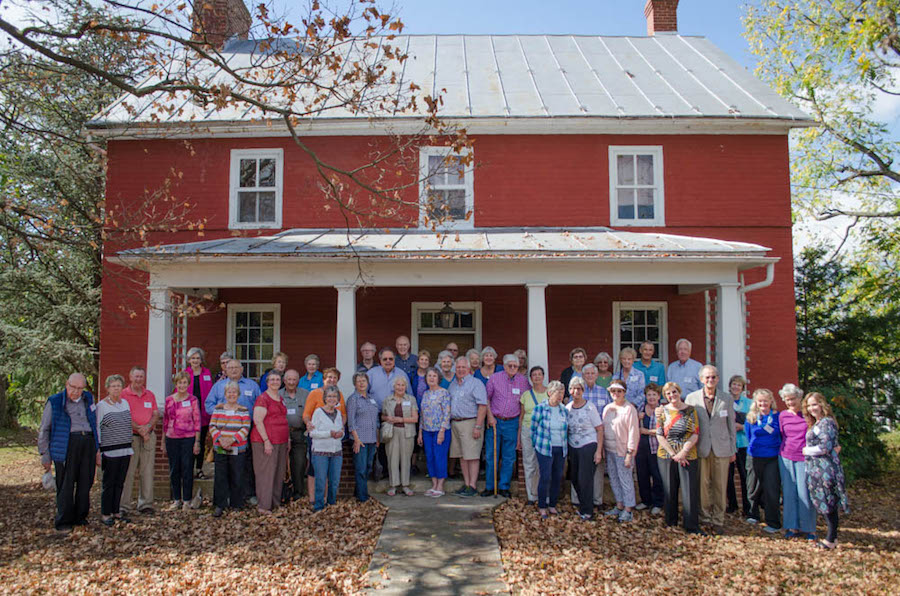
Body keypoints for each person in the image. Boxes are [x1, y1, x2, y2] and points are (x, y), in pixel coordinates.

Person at [37, 373, 100, 533]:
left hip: (87, 443)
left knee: (85, 483)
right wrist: (45, 453)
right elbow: (45, 428)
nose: (76, 391)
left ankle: (80, 517)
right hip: (66, 444)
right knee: (65, 484)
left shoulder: (88, 399)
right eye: (73, 387)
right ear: (67, 384)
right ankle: (64, 520)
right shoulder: (55, 401)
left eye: (80, 388)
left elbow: (95, 424)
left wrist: (98, 448)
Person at [684, 364, 735, 534]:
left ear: (718, 379)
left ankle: (718, 519)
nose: (710, 380)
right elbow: (688, 425)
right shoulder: (691, 398)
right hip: (701, 448)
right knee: (703, 485)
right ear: (701, 379)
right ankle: (704, 517)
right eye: (707, 377)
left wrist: (732, 449)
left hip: (722, 448)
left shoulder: (726, 399)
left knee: (720, 485)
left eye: (713, 377)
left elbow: (731, 426)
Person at [205, 358, 260, 504]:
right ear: (225, 370)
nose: (234, 370)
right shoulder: (218, 386)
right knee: (222, 468)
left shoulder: (252, 385)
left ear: (242, 369)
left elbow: (259, 404)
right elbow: (208, 404)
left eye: (237, 367)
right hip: (221, 436)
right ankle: (224, 498)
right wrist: (220, 412)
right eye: (231, 368)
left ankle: (246, 495)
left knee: (244, 465)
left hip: (244, 432)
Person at [802, 392, 850, 550]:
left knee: (828, 501)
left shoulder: (827, 423)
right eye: (809, 405)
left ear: (822, 404)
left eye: (814, 404)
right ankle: (832, 538)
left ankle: (831, 539)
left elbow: (825, 447)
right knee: (824, 502)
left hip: (825, 469)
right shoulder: (817, 423)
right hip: (816, 469)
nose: (811, 408)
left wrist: (806, 451)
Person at [656, 382, 703, 534]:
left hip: (688, 455)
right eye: (668, 394)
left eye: (674, 392)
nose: (672, 396)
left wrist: (683, 452)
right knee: (670, 489)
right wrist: (673, 454)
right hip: (666, 455)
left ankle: (691, 525)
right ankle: (671, 522)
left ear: (679, 392)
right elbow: (659, 435)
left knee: (689, 491)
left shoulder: (690, 410)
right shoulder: (662, 411)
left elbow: (695, 433)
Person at [484, 354, 528, 498]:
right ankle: (490, 486)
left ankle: (504, 487)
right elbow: (487, 399)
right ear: (504, 366)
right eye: (510, 365)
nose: (513, 368)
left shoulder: (523, 381)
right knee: (492, 455)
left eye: (515, 366)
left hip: (512, 422)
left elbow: (524, 403)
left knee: (509, 457)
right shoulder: (494, 378)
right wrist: (490, 416)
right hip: (495, 421)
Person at [778, 383, 817, 540]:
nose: (790, 402)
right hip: (786, 457)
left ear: (800, 397)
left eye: (792, 399)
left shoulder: (808, 415)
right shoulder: (782, 416)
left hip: (805, 458)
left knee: (805, 493)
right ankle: (791, 527)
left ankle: (809, 528)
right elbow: (782, 435)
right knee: (789, 493)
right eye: (786, 400)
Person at [302, 368, 346, 502]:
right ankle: (313, 498)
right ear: (324, 379)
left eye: (334, 378)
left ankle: (327, 498)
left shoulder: (339, 394)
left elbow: (343, 414)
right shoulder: (314, 394)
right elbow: (306, 414)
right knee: (315, 470)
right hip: (318, 438)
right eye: (329, 378)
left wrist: (341, 429)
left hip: (334, 441)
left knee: (330, 473)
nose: (332, 380)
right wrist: (309, 424)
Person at [209, 381, 251, 516]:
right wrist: (221, 439)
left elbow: (246, 427)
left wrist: (232, 440)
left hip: (238, 448)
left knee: (237, 475)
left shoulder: (243, 410)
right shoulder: (218, 408)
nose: (231, 394)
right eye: (229, 392)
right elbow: (212, 426)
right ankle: (220, 504)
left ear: (238, 394)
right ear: (225, 394)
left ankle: (236, 504)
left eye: (234, 392)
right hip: (220, 448)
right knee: (221, 476)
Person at [250, 370, 289, 514]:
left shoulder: (280, 398)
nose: (275, 382)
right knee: (265, 473)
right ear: (267, 382)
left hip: (281, 441)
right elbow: (258, 420)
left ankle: (275, 503)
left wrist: (288, 439)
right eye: (272, 380)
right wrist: (266, 441)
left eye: (277, 379)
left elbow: (283, 419)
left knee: (278, 473)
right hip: (265, 441)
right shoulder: (263, 399)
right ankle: (264, 506)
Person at [121, 366, 159, 514]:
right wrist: (139, 429)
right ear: (130, 377)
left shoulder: (149, 394)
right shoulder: (124, 394)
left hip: (148, 437)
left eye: (141, 377)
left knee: (147, 470)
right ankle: (124, 505)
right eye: (136, 376)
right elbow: (124, 415)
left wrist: (148, 428)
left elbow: (155, 414)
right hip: (130, 436)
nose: (138, 379)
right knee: (128, 471)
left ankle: (145, 504)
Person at [448, 358, 488, 497]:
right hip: (455, 423)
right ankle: (466, 484)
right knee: (462, 456)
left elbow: (482, 406)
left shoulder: (476, 384)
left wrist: (478, 426)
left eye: (463, 367)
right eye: (458, 367)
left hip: (470, 423)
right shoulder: (453, 385)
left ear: (469, 368)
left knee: (472, 456)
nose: (460, 370)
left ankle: (472, 485)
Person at [97, 374, 133, 526]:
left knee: (120, 482)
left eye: (119, 385)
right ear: (107, 388)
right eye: (113, 386)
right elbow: (98, 428)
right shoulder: (102, 406)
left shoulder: (125, 403)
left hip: (125, 449)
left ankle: (116, 511)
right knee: (109, 483)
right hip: (110, 451)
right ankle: (106, 513)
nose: (116, 388)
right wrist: (98, 449)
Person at [566, 376, 604, 520]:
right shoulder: (568, 408)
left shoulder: (590, 407)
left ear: (583, 391)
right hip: (573, 446)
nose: (576, 391)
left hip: (588, 445)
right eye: (574, 388)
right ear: (570, 390)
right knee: (575, 478)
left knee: (585, 478)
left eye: (579, 389)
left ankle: (588, 511)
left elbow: (600, 429)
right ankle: (583, 506)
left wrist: (599, 451)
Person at [163, 372, 202, 511]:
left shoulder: (193, 400)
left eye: (185, 382)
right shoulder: (169, 400)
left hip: (188, 438)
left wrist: (197, 442)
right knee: (174, 469)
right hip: (172, 438)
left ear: (188, 384)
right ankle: (176, 499)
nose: (182, 385)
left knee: (187, 468)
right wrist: (163, 441)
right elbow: (165, 421)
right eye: (180, 382)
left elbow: (197, 421)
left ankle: (186, 499)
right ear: (176, 383)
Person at [602, 379, 640, 522]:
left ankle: (628, 508)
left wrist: (630, 453)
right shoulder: (608, 408)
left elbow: (633, 432)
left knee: (625, 479)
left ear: (624, 392)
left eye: (619, 391)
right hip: (609, 449)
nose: (616, 394)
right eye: (613, 391)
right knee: (614, 478)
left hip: (623, 451)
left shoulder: (629, 409)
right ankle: (619, 505)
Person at [745, 388, 782, 533]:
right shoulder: (751, 417)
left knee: (771, 490)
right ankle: (753, 514)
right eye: (760, 401)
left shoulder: (777, 416)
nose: (763, 403)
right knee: (752, 487)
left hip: (772, 456)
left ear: (771, 401)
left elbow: (780, 435)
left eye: (766, 400)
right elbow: (749, 436)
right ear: (756, 402)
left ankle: (773, 522)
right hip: (754, 455)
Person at [531, 380, 568, 519]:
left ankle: (552, 504)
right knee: (545, 477)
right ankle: (542, 506)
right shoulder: (540, 408)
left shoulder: (564, 410)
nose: (559, 396)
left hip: (560, 448)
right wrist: (537, 445)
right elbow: (533, 429)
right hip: (545, 448)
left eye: (562, 393)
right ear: (549, 393)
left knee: (557, 477)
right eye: (557, 393)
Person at [309, 386, 345, 511]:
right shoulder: (318, 412)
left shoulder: (338, 413)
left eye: (334, 396)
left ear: (338, 399)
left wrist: (341, 434)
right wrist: (329, 433)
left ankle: (331, 504)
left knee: (334, 481)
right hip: (320, 452)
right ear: (325, 398)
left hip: (336, 452)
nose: (331, 399)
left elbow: (341, 430)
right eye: (329, 396)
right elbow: (312, 433)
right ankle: (319, 506)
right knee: (320, 480)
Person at [382, 376, 419, 496]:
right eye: (398, 385)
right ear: (394, 387)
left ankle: (405, 485)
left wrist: (400, 419)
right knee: (392, 458)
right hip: (392, 432)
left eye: (402, 385)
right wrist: (388, 418)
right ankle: (393, 485)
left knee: (406, 459)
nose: (400, 387)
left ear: (406, 387)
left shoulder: (411, 399)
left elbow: (415, 418)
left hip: (407, 432)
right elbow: (382, 416)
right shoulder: (387, 399)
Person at [418, 368, 452, 497]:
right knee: (430, 457)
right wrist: (420, 432)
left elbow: (447, 413)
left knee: (440, 457)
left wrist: (442, 431)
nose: (431, 378)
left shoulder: (444, 393)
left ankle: (440, 486)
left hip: (440, 431)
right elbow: (422, 414)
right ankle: (433, 484)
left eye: (434, 376)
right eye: (429, 376)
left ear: (438, 378)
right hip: (427, 431)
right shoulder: (425, 394)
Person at [347, 372, 379, 502]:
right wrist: (356, 439)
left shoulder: (372, 399)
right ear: (355, 384)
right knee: (361, 469)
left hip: (372, 439)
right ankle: (362, 498)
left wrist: (377, 438)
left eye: (364, 381)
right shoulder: (353, 399)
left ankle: (359, 492)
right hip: (360, 440)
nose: (361, 383)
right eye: (359, 381)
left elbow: (376, 420)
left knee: (368, 467)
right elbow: (351, 422)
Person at [518, 366, 548, 505]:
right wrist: (519, 436)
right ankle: (531, 496)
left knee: (543, 464)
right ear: (530, 378)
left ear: (543, 376)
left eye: (539, 374)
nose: (537, 377)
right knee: (529, 462)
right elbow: (522, 416)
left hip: (545, 432)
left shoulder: (549, 393)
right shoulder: (526, 395)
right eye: (534, 375)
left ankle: (544, 495)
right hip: (528, 430)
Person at [280, 369, 309, 502]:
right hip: (281, 434)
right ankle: (281, 492)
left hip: (299, 433)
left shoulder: (305, 394)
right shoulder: (278, 395)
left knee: (299, 463)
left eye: (294, 380)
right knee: (280, 464)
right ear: (284, 381)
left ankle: (298, 492)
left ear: (298, 381)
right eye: (289, 380)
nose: (291, 382)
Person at [636, 382, 664, 515]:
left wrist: (646, 431)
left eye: (654, 395)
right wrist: (637, 418)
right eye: (649, 395)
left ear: (659, 396)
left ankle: (658, 502)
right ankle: (646, 500)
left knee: (657, 476)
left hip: (656, 448)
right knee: (642, 475)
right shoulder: (641, 408)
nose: (651, 397)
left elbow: (663, 430)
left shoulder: (662, 410)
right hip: (641, 448)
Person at [185, 347, 213, 480]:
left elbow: (211, 392)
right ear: (189, 360)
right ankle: (189, 468)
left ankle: (199, 469)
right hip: (188, 415)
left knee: (200, 442)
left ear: (201, 360)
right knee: (190, 442)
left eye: (198, 358)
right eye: (193, 358)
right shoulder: (185, 374)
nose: (195, 360)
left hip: (203, 413)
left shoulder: (206, 373)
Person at [726, 375, 753, 517]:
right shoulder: (725, 402)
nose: (735, 387)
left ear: (742, 388)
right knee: (728, 476)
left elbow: (754, 423)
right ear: (729, 386)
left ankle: (747, 507)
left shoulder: (749, 404)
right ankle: (732, 505)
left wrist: (741, 426)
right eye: (733, 384)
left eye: (739, 385)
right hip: (728, 444)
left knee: (744, 476)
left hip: (743, 444)